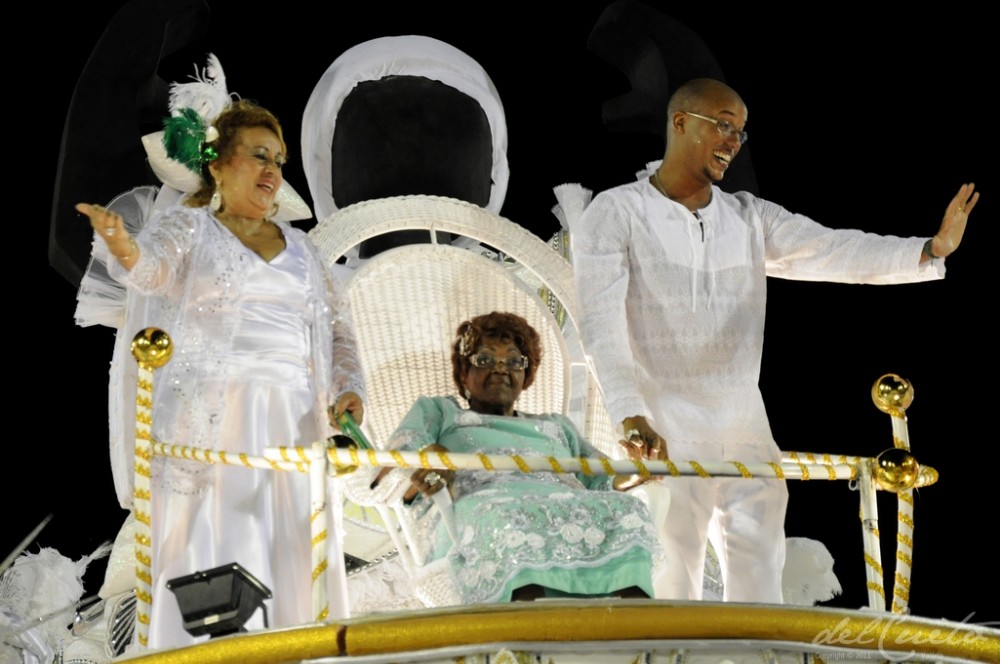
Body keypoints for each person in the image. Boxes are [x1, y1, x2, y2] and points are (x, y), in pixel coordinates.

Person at [569, 77, 978, 604]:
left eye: (740, 132)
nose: (732, 142)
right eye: (722, 125)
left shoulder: (747, 217)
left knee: (760, 567)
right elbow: (599, 322)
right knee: (673, 569)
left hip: (741, 418)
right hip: (659, 416)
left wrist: (926, 249)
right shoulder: (617, 212)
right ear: (680, 122)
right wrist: (627, 410)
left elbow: (832, 250)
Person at [76, 98, 365, 649]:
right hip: (211, 417)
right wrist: (121, 243)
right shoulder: (189, 229)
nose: (272, 172)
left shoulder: (306, 250)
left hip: (293, 420)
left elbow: (338, 333)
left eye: (278, 160)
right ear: (218, 166)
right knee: (213, 544)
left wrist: (349, 387)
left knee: (292, 546)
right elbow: (150, 269)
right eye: (258, 155)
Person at [355, 312, 661, 604]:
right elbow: (402, 450)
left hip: (564, 504)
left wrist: (639, 471)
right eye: (486, 359)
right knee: (507, 517)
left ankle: (630, 629)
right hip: (479, 511)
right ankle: (525, 635)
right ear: (465, 371)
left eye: (514, 361)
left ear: (525, 374)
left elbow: (601, 478)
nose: (501, 368)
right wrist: (429, 458)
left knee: (629, 511)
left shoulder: (557, 426)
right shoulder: (439, 411)